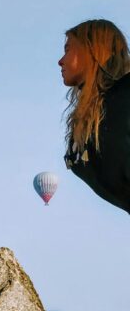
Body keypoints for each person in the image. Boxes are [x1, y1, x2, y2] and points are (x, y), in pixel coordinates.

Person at [59, 19, 130, 213]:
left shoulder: (126, 94)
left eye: (68, 49)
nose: (60, 61)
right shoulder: (85, 130)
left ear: (92, 50)